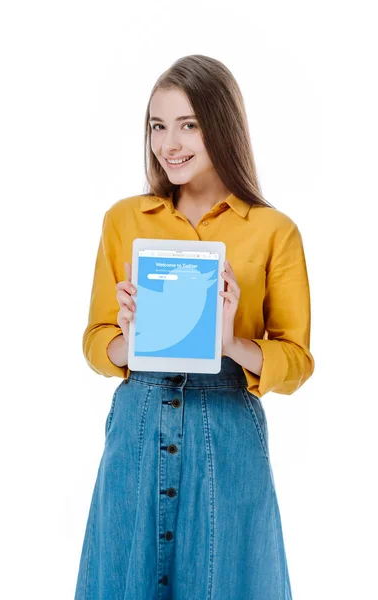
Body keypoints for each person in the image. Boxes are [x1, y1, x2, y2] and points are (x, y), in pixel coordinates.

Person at [74, 54, 315, 600]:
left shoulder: (275, 231)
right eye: (158, 126)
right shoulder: (124, 220)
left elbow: (297, 360)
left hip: (226, 424)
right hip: (138, 421)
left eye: (189, 125)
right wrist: (126, 344)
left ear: (222, 126)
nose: (170, 143)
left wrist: (231, 343)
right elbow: (94, 340)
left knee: (226, 580)